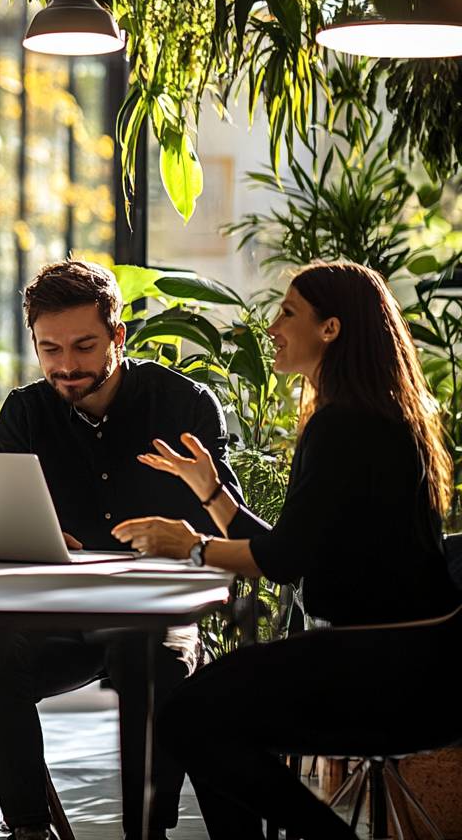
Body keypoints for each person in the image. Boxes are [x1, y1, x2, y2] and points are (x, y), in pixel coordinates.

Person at [113, 260, 461, 839]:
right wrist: (212, 492)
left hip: (384, 671)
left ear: (331, 328)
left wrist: (191, 545)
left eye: (288, 312)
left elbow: (282, 562)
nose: (272, 327)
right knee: (200, 715)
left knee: (189, 717)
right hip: (419, 666)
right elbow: (292, 547)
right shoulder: (375, 418)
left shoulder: (344, 426)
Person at [0, 259, 267, 840]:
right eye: (49, 349)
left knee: (155, 664)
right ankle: (29, 830)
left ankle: (145, 833)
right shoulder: (25, 413)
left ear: (118, 335)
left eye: (83, 346)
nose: (66, 365)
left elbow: (229, 529)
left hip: (157, 609)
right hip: (57, 613)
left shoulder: (184, 405)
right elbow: (0, 531)